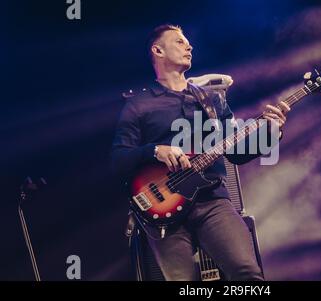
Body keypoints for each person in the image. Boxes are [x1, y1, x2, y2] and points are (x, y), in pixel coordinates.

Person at [111, 24, 290, 280]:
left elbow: (236, 152)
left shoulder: (210, 100)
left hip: (212, 201)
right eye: (180, 42)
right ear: (158, 50)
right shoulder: (138, 104)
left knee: (247, 273)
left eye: (188, 42)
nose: (189, 46)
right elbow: (119, 159)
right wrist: (155, 151)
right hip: (163, 211)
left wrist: (272, 133)